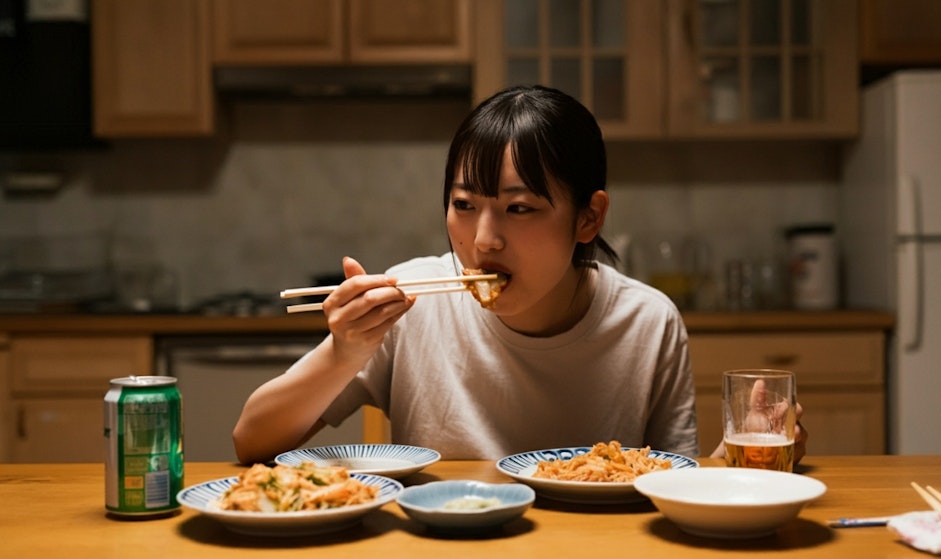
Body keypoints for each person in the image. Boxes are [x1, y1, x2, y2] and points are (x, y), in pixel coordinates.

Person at [232, 85, 807, 464]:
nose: (483, 240)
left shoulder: (647, 321)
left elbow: (674, 479)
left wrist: (746, 452)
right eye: (463, 204)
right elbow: (251, 442)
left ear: (589, 217)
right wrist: (345, 352)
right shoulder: (413, 300)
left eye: (520, 208)